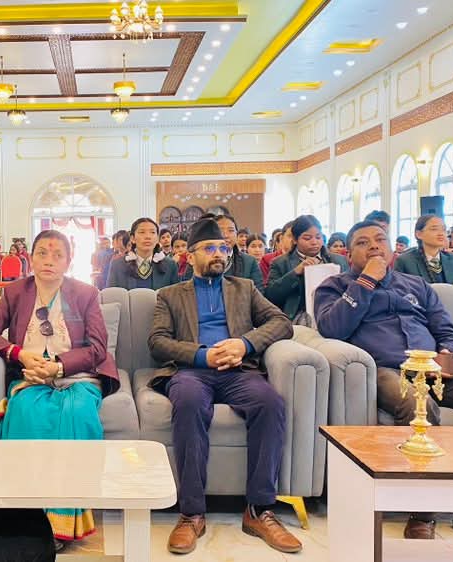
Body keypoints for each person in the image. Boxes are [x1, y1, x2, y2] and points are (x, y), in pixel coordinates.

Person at [314, 220, 453, 542]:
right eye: (363, 242)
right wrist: (366, 281)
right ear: (349, 255)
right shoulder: (335, 287)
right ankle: (422, 513)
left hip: (435, 370)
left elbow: (447, 330)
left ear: (391, 249)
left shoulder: (416, 285)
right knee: (420, 406)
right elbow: (333, 328)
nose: (374, 246)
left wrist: (448, 357)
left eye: (380, 240)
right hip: (388, 370)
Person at [148, 218, 298, 555]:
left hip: (238, 370)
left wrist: (244, 344)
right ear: (190, 255)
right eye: (210, 248)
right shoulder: (169, 295)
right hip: (192, 371)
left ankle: (259, 510)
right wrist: (202, 355)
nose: (219, 253)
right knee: (188, 403)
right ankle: (191, 513)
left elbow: (281, 322)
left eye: (223, 248)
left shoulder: (244, 288)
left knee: (270, 403)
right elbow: (157, 342)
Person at [0, 229, 119, 550]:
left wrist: (59, 366)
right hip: (31, 376)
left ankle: (60, 522)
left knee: (77, 413)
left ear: (68, 261)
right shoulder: (15, 292)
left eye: (57, 255)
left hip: (77, 375)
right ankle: (26, 518)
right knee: (25, 411)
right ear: (31, 258)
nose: (49, 260)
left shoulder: (86, 293)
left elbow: (97, 348)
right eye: (42, 253)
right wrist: (18, 353)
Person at [265, 215, 349, 325]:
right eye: (307, 238)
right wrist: (295, 273)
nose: (314, 242)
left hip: (333, 313)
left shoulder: (339, 260)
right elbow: (270, 296)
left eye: (318, 237)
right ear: (295, 239)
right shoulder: (280, 263)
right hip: (298, 317)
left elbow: (349, 290)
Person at [394, 215, 453, 285]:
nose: (441, 233)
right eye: (434, 229)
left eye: (444, 230)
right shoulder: (405, 261)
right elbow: (399, 291)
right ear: (419, 234)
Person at [107, 217, 179, 290]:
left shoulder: (170, 265)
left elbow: (175, 295)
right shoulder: (118, 265)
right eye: (142, 232)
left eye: (152, 232)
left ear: (157, 239)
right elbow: (111, 294)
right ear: (132, 238)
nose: (148, 236)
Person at [211, 214, 263, 287]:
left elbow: (258, 290)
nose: (226, 235)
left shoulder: (249, 262)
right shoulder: (201, 259)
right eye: (220, 230)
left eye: (231, 230)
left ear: (236, 234)